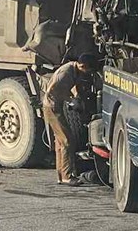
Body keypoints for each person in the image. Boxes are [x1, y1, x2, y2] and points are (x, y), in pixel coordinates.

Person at [42, 53, 99, 186]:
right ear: (82, 66)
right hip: (51, 107)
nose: (88, 73)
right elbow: (52, 89)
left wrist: (77, 96)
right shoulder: (65, 73)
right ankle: (67, 176)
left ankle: (61, 175)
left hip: (56, 105)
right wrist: (70, 100)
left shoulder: (75, 70)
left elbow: (74, 85)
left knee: (60, 142)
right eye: (89, 70)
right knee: (67, 141)